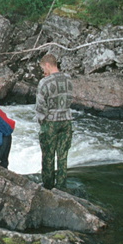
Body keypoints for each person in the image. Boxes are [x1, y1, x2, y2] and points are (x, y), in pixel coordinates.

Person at [35, 53, 73, 189]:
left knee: (48, 156)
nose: (43, 72)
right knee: (62, 156)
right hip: (67, 120)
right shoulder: (69, 79)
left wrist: (42, 122)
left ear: (47, 65)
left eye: (43, 69)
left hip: (50, 122)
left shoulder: (44, 82)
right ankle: (62, 186)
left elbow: (40, 107)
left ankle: (48, 186)